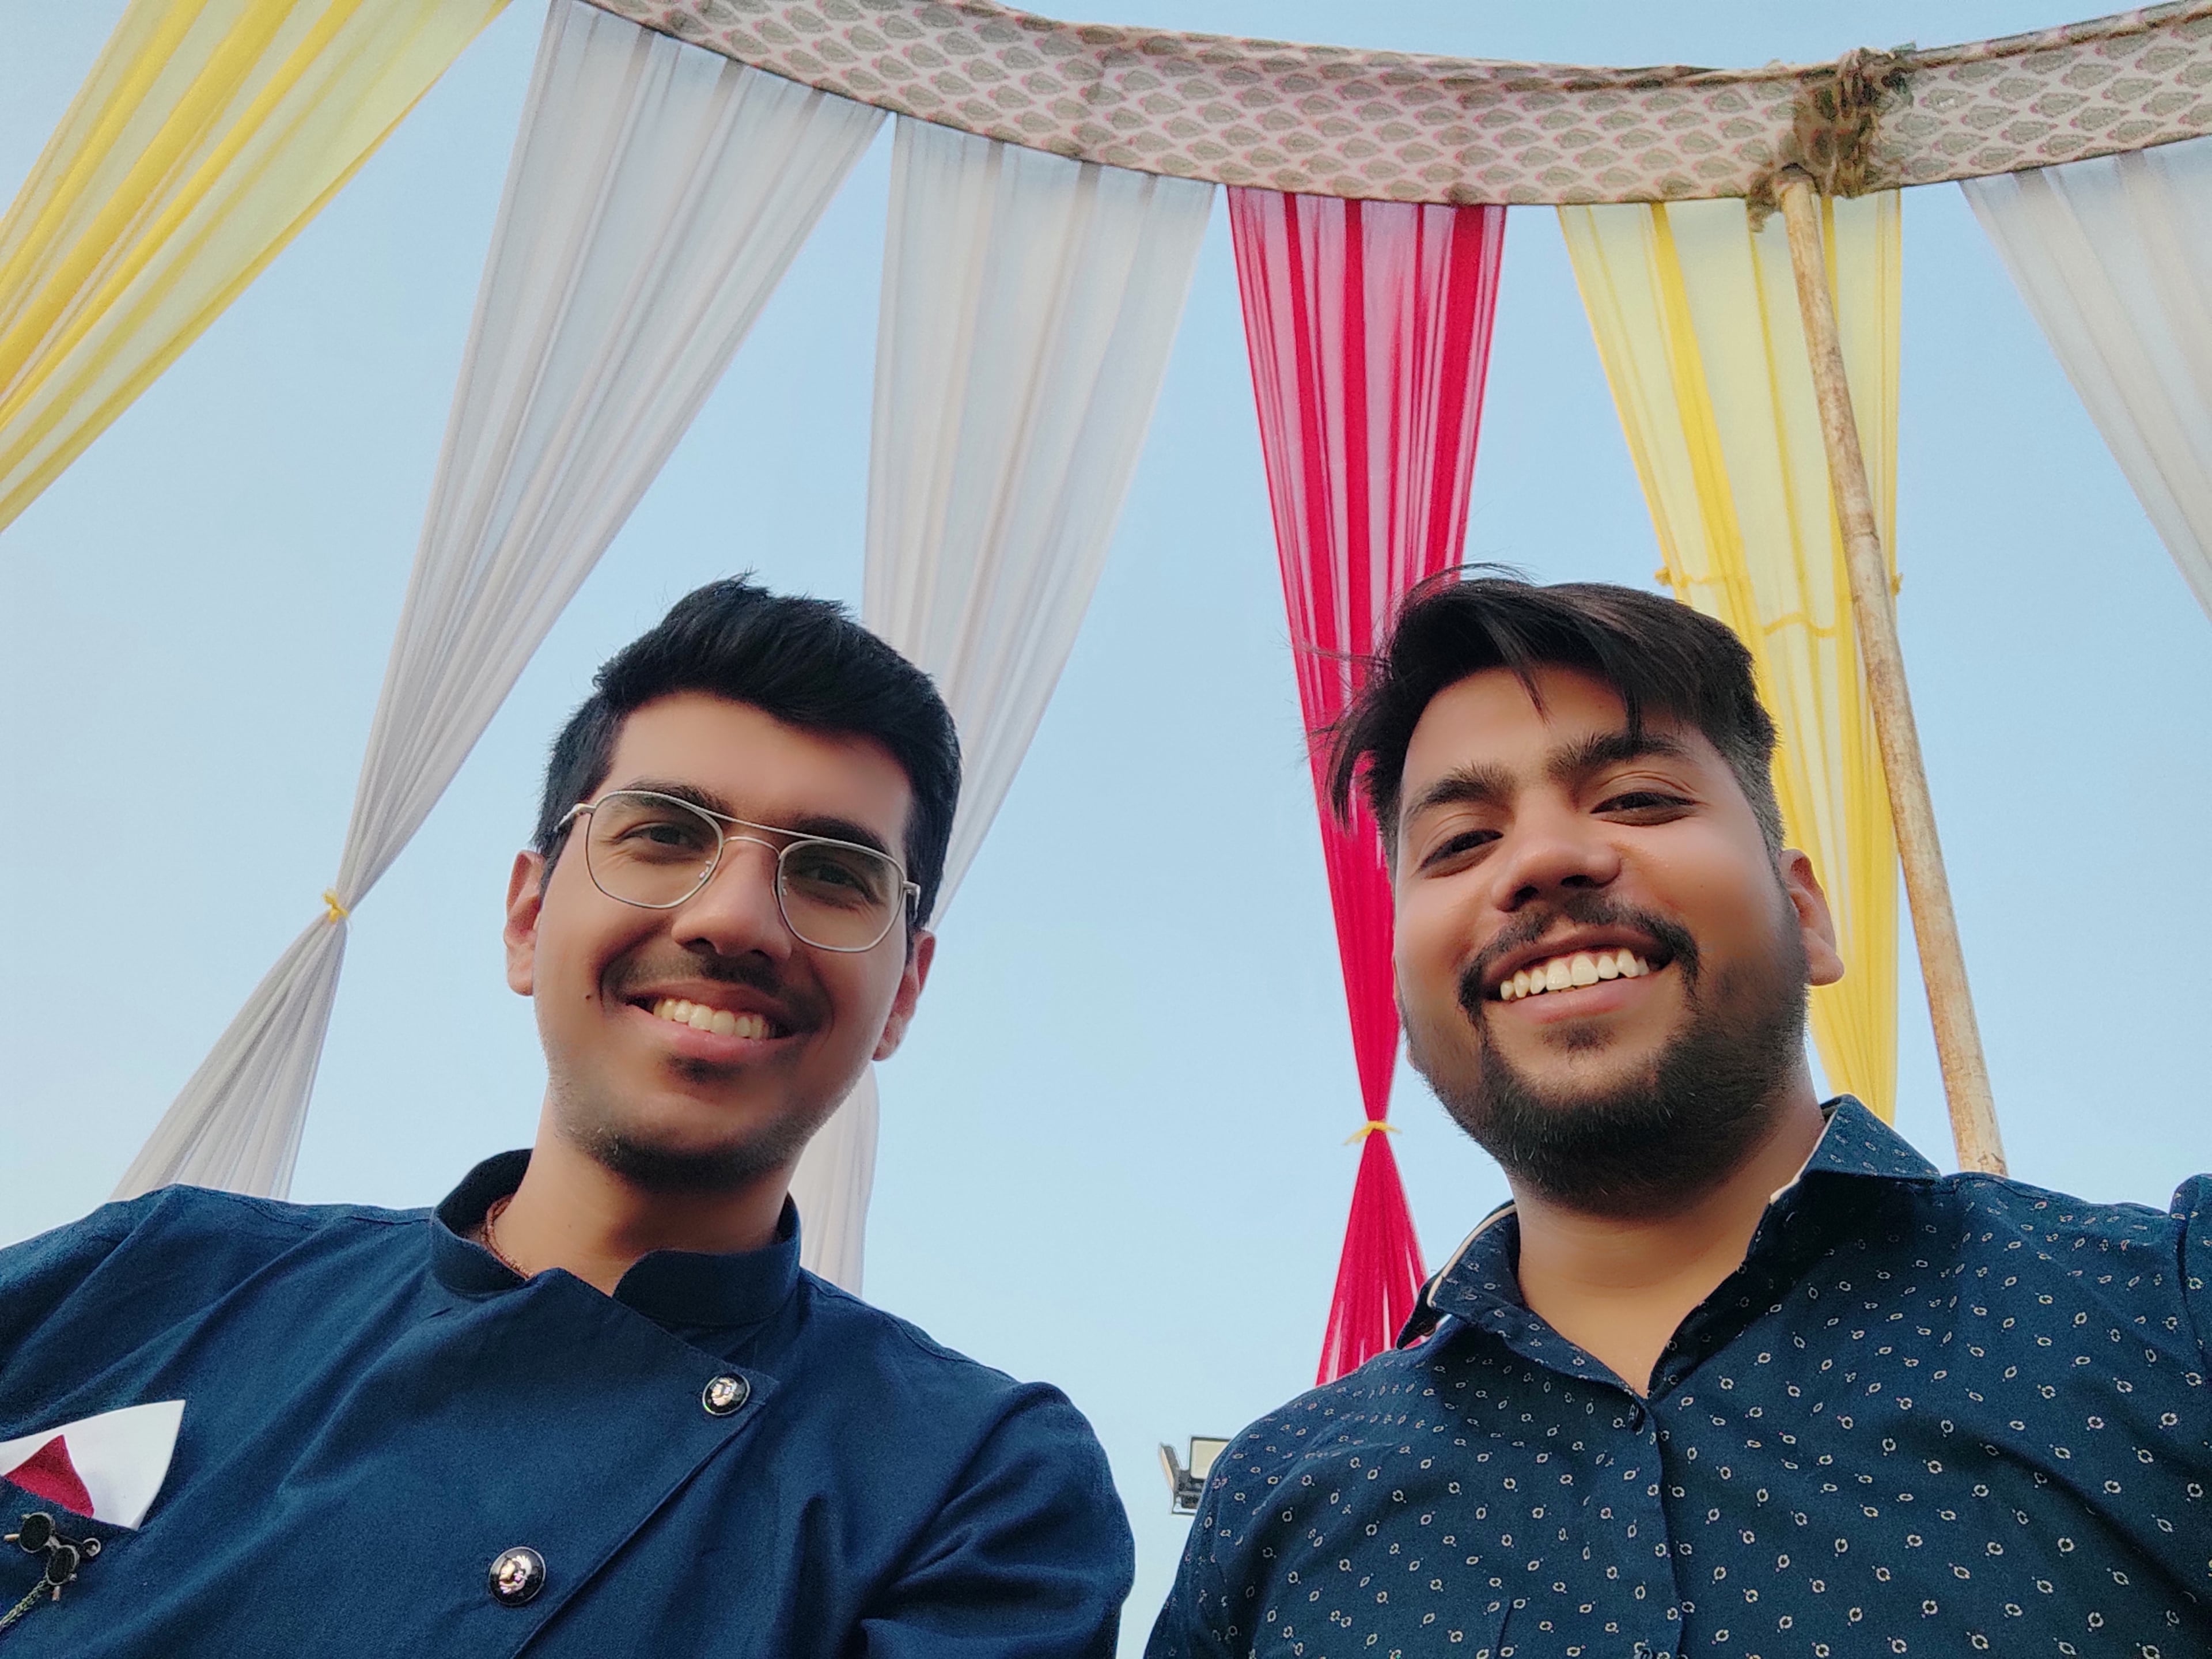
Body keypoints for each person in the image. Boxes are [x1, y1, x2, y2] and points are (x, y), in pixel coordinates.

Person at [0, 578, 1134, 1655]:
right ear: (528, 917)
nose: (737, 919)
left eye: (835, 874)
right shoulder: (158, 1273)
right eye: (665, 835)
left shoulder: (973, 1487)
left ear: (906, 995)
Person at [1149, 574, 2212, 1658]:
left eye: (1637, 799)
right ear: (1405, 1001)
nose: (1541, 861)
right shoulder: (1271, 1512)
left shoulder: (2173, 1315)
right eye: (1462, 841)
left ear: (1805, 913)